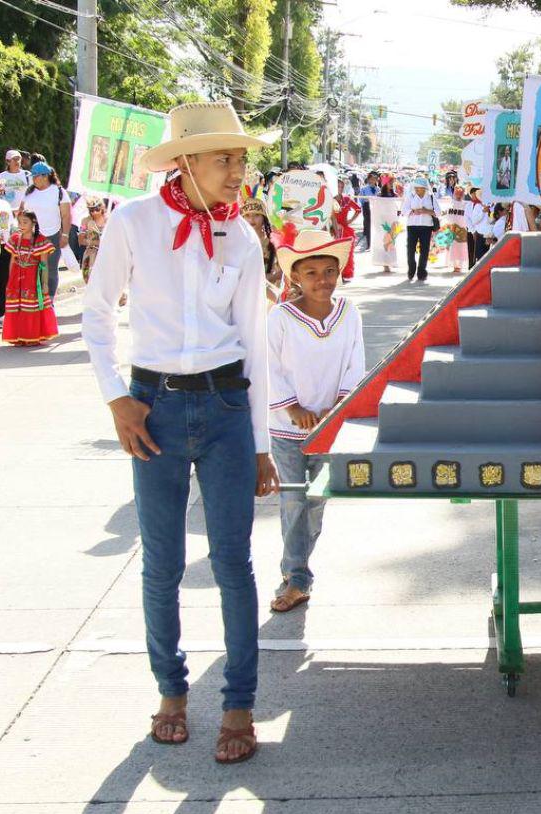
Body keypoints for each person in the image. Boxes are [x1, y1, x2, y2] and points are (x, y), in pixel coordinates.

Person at [81, 101, 280, 764]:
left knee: (233, 564)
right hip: (154, 409)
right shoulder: (135, 223)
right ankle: (170, 692)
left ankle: (239, 705)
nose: (238, 171)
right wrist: (117, 400)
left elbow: (254, 343)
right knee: (162, 563)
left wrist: (259, 444)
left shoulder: (243, 238)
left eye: (241, 158)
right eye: (225, 158)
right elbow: (98, 314)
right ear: (186, 162)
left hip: (225, 408)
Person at [267, 229, 365, 614]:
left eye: (329, 270)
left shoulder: (349, 312)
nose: (322, 280)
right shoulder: (280, 317)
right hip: (286, 426)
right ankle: (298, 576)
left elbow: (354, 362)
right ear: (295, 277)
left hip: (329, 425)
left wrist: (338, 406)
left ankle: (296, 570)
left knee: (316, 500)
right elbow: (270, 365)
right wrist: (294, 408)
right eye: (311, 273)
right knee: (293, 499)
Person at [2, 209, 58, 345]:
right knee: (17, 307)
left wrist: (45, 284)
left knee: (30, 307)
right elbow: (12, 261)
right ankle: (18, 337)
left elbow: (44, 264)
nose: (21, 225)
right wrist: (10, 280)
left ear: (33, 222)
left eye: (25, 222)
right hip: (16, 278)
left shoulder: (40, 240)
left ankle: (32, 336)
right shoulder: (15, 238)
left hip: (32, 279)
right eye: (20, 222)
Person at [19, 161, 71, 302]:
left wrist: (65, 234)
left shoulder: (59, 192)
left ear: (46, 176)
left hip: (52, 236)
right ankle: (32, 299)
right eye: (33, 176)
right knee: (31, 268)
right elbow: (21, 211)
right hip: (31, 237)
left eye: (37, 176)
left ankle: (50, 300)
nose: (34, 179)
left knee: (51, 269)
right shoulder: (29, 191)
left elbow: (66, 215)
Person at [240, 196, 282, 300]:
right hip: (244, 293)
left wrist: (269, 279)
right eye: (247, 216)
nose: (251, 219)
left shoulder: (273, 241)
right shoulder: (239, 241)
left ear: (264, 217)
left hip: (268, 294)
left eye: (257, 215)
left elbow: (284, 270)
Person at [401, 176, 439, 282]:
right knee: (410, 249)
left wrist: (426, 211)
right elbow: (404, 211)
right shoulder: (411, 196)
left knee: (424, 250)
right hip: (412, 226)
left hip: (426, 227)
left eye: (420, 188)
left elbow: (438, 212)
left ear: (425, 188)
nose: (418, 190)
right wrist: (413, 212)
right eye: (416, 188)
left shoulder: (430, 197)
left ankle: (421, 271)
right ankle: (411, 269)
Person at [331, 178, 361, 282]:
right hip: (332, 230)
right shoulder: (329, 199)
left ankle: (343, 274)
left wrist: (349, 221)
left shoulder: (346, 199)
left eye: (342, 187)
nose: (340, 189)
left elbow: (358, 209)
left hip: (345, 230)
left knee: (346, 253)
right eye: (338, 186)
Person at [78, 198, 108, 284]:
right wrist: (92, 241)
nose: (94, 212)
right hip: (91, 253)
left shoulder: (109, 220)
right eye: (91, 210)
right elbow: (80, 239)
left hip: (106, 254)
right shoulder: (85, 221)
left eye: (97, 209)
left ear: (102, 208)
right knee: (88, 278)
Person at [440, 185, 469, 273]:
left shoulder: (466, 204)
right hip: (452, 228)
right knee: (453, 247)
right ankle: (454, 265)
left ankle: (459, 265)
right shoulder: (450, 204)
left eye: (460, 194)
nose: (458, 195)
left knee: (461, 247)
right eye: (457, 194)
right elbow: (445, 215)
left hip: (462, 229)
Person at [464, 186, 488, 267]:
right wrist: (473, 231)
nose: (475, 195)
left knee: (481, 253)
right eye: (474, 193)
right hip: (472, 230)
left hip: (482, 232)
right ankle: (471, 267)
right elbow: (467, 219)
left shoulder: (484, 204)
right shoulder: (469, 205)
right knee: (471, 249)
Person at [358, 171, 380, 250]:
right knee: (367, 224)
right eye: (371, 179)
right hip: (367, 207)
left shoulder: (378, 189)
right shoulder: (364, 188)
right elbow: (360, 198)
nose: (373, 180)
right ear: (368, 179)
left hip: (375, 207)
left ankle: (373, 242)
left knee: (374, 224)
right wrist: (364, 203)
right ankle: (368, 242)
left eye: (375, 179)